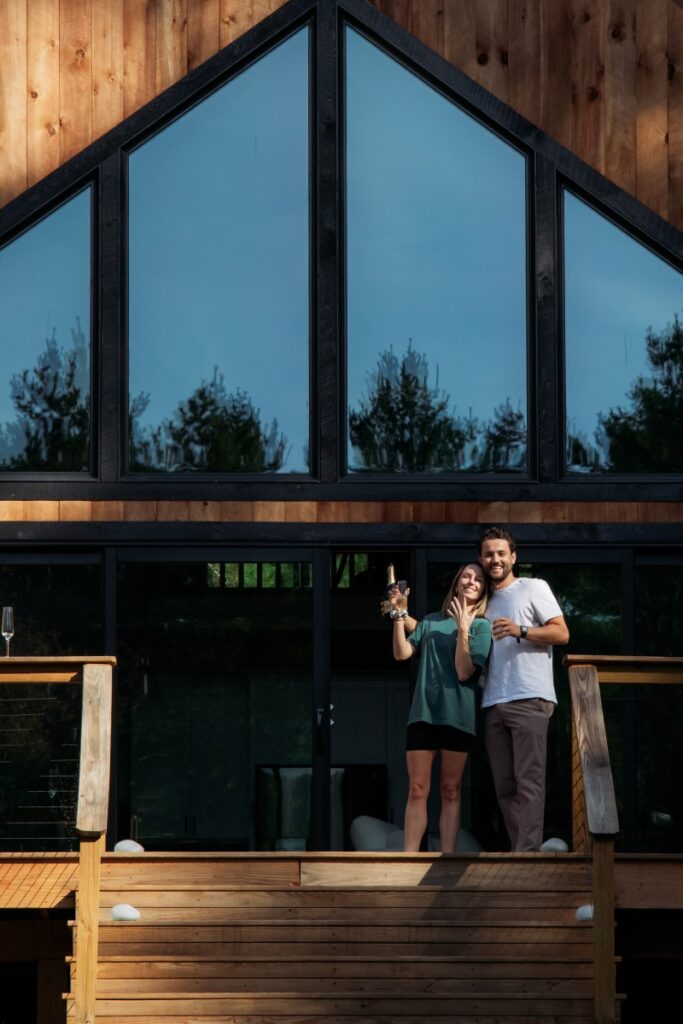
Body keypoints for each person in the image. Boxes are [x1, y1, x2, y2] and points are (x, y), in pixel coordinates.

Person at [477, 526, 569, 852]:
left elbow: (561, 633)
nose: (495, 559)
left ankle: (527, 857)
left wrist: (521, 630)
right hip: (493, 701)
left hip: (529, 697)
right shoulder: (483, 601)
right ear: (481, 558)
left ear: (513, 556)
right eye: (489, 553)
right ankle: (524, 851)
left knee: (529, 781)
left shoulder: (533, 587)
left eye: (501, 553)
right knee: (504, 785)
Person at [390, 564, 492, 853]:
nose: (472, 581)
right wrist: (399, 614)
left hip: (457, 718)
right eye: (467, 576)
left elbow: (463, 672)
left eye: (479, 579)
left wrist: (463, 629)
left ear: (483, 589)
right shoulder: (431, 622)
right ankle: (409, 860)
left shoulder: (482, 627)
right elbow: (401, 653)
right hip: (423, 715)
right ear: (457, 583)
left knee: (450, 790)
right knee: (417, 789)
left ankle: (447, 859)